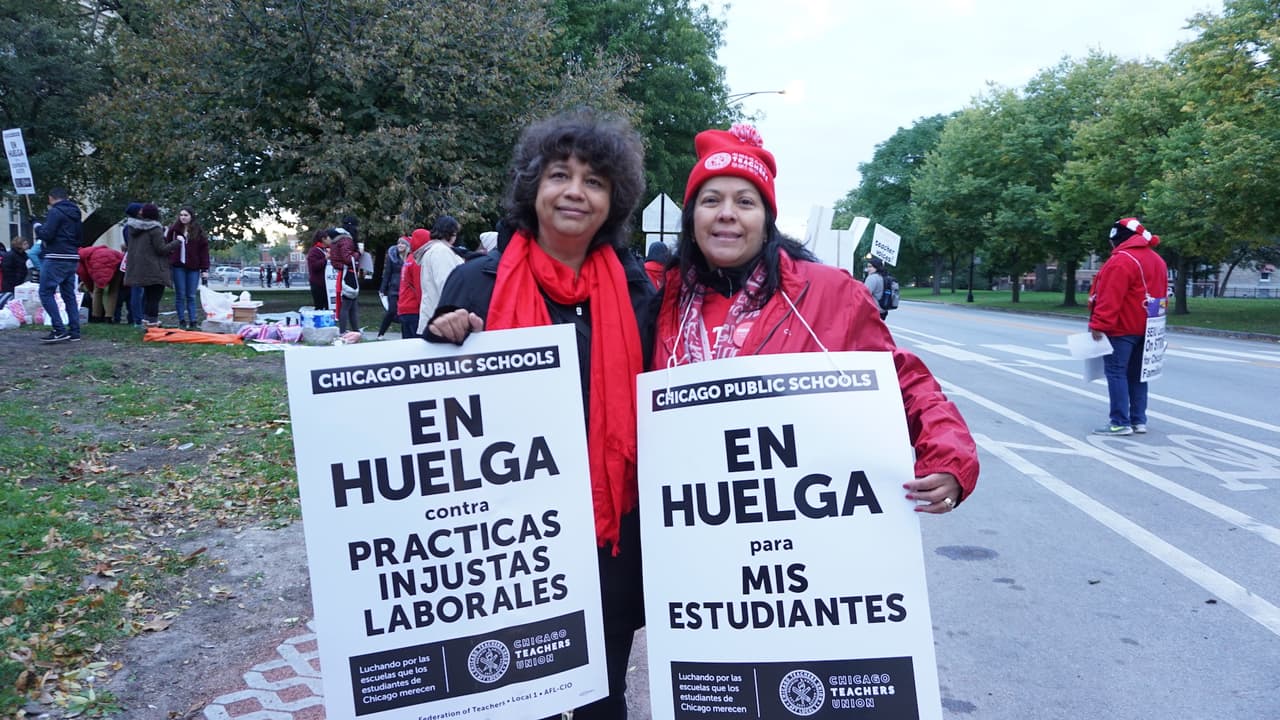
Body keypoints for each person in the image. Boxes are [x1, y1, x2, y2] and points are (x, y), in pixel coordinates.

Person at [427, 109, 653, 720]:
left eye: (595, 181)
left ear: (614, 201)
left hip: (609, 532)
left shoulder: (638, 293)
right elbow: (430, 408)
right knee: (505, 695)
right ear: (535, 187)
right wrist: (442, 336)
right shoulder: (477, 282)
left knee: (602, 694)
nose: (576, 191)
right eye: (560, 175)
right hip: (506, 539)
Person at [653, 124, 979, 512]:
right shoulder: (658, 301)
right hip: (691, 528)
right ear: (692, 217)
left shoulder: (831, 294)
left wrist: (948, 459)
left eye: (745, 202)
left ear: (766, 220)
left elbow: (903, 383)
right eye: (710, 200)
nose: (726, 214)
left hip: (802, 524)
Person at [1088, 217, 1169, 436]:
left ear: (1118, 239)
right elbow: (1162, 296)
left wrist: (1098, 325)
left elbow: (1110, 297)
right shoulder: (1157, 260)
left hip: (1122, 328)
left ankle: (1119, 422)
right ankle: (1138, 420)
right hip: (1149, 327)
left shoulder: (1121, 260)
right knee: (1138, 375)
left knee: (1116, 372)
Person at [34, 187, 85, 343]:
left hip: (56, 256)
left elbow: (47, 234)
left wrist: (36, 225)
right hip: (72, 256)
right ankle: (74, 331)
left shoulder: (55, 212)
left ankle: (59, 329)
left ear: (51, 198)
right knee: (68, 294)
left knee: (45, 292)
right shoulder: (76, 213)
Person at [123, 203, 178, 327]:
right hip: (155, 269)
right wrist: (177, 243)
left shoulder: (132, 228)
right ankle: (152, 325)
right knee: (154, 298)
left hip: (140, 268)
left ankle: (144, 323)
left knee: (147, 298)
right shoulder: (155, 229)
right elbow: (161, 249)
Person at [167, 206, 211, 329]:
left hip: (193, 267)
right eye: (181, 215)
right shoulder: (174, 230)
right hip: (178, 266)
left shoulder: (198, 231)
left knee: (191, 295)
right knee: (180, 294)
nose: (183, 217)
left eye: (186, 215)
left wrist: (204, 269)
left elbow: (204, 252)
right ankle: (181, 320)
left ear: (191, 217)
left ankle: (193, 320)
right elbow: (167, 245)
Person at [417, 216, 464, 321]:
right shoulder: (441, 251)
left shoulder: (434, 249)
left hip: (435, 314)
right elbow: (446, 284)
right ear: (451, 232)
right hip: (441, 318)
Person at [396, 229, 432, 339]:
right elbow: (419, 286)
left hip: (404, 307)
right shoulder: (418, 261)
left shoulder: (409, 258)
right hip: (414, 309)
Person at [78, 244, 125, 323]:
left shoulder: (81, 257)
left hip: (99, 265)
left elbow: (83, 274)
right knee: (113, 290)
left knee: (97, 291)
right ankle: (109, 317)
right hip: (117, 263)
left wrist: (90, 288)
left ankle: (96, 316)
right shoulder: (96, 250)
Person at [328, 226, 361, 333]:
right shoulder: (346, 240)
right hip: (348, 274)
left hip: (343, 274)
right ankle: (346, 331)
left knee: (350, 305)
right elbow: (348, 259)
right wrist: (359, 253)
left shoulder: (335, 243)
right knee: (348, 305)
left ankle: (353, 330)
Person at [376, 236, 409, 339]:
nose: (400, 245)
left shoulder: (410, 258)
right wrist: (382, 289)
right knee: (391, 311)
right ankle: (380, 334)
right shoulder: (392, 257)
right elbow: (387, 273)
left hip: (405, 289)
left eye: (403, 243)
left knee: (405, 312)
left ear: (407, 246)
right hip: (394, 288)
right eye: (399, 243)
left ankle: (405, 336)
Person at [0, 236, 30, 311]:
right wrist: (16, 279)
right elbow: (7, 269)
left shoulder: (23, 254)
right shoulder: (10, 255)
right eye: (25, 243)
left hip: (20, 281)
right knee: (10, 301)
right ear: (19, 245)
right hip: (11, 283)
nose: (27, 245)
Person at [306, 229, 331, 310]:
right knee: (319, 307)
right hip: (318, 284)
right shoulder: (314, 251)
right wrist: (325, 259)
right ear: (323, 239)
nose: (330, 240)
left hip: (326, 284)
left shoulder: (326, 250)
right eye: (328, 238)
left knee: (329, 306)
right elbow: (314, 266)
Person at [863, 255, 888, 321]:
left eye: (870, 267)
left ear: (876, 267)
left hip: (874, 311)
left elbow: (864, 294)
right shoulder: (884, 277)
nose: (868, 269)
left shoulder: (872, 278)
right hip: (883, 310)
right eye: (867, 266)